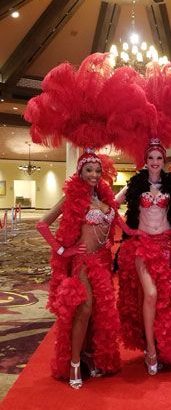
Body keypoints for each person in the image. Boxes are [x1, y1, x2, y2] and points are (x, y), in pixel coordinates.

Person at [36, 150, 139, 389]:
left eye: (97, 170)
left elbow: (123, 225)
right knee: (85, 308)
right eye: (88, 170)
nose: (94, 175)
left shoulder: (106, 199)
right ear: (80, 172)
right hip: (83, 263)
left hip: (103, 263)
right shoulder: (72, 199)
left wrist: (152, 234)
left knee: (100, 314)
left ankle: (89, 356)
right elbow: (42, 224)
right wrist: (63, 251)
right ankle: (73, 363)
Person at [115, 138, 171, 375]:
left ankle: (159, 341)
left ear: (164, 161)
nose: (155, 162)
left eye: (159, 158)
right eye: (151, 158)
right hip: (142, 244)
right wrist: (128, 230)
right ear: (145, 161)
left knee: (163, 300)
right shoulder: (136, 183)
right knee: (150, 294)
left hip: (166, 246)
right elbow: (111, 204)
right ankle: (149, 349)